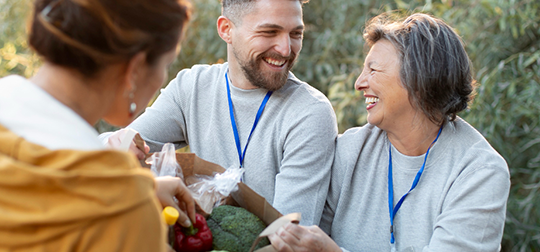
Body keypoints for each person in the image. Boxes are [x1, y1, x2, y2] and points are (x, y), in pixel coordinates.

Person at [268, 13, 510, 252]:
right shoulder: (350, 152)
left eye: (373, 70)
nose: (359, 83)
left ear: (419, 78)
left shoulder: (479, 172)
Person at [0, 0, 195, 251]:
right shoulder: (121, 209)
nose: (163, 77)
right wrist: (133, 200)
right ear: (135, 69)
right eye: (166, 65)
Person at [100, 0, 338, 225]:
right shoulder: (191, 87)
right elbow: (106, 149)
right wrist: (117, 142)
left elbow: (290, 235)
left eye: (296, 34)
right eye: (269, 32)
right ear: (226, 30)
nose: (286, 49)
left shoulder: (309, 113)